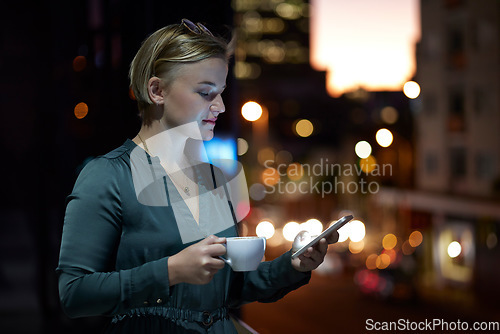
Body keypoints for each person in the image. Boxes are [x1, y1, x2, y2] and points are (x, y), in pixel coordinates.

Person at [56, 19, 339, 333]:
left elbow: (230, 288)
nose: (218, 106)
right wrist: (169, 271)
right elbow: (74, 294)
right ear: (157, 90)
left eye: (220, 93)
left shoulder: (211, 178)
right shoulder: (107, 176)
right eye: (206, 93)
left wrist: (294, 264)